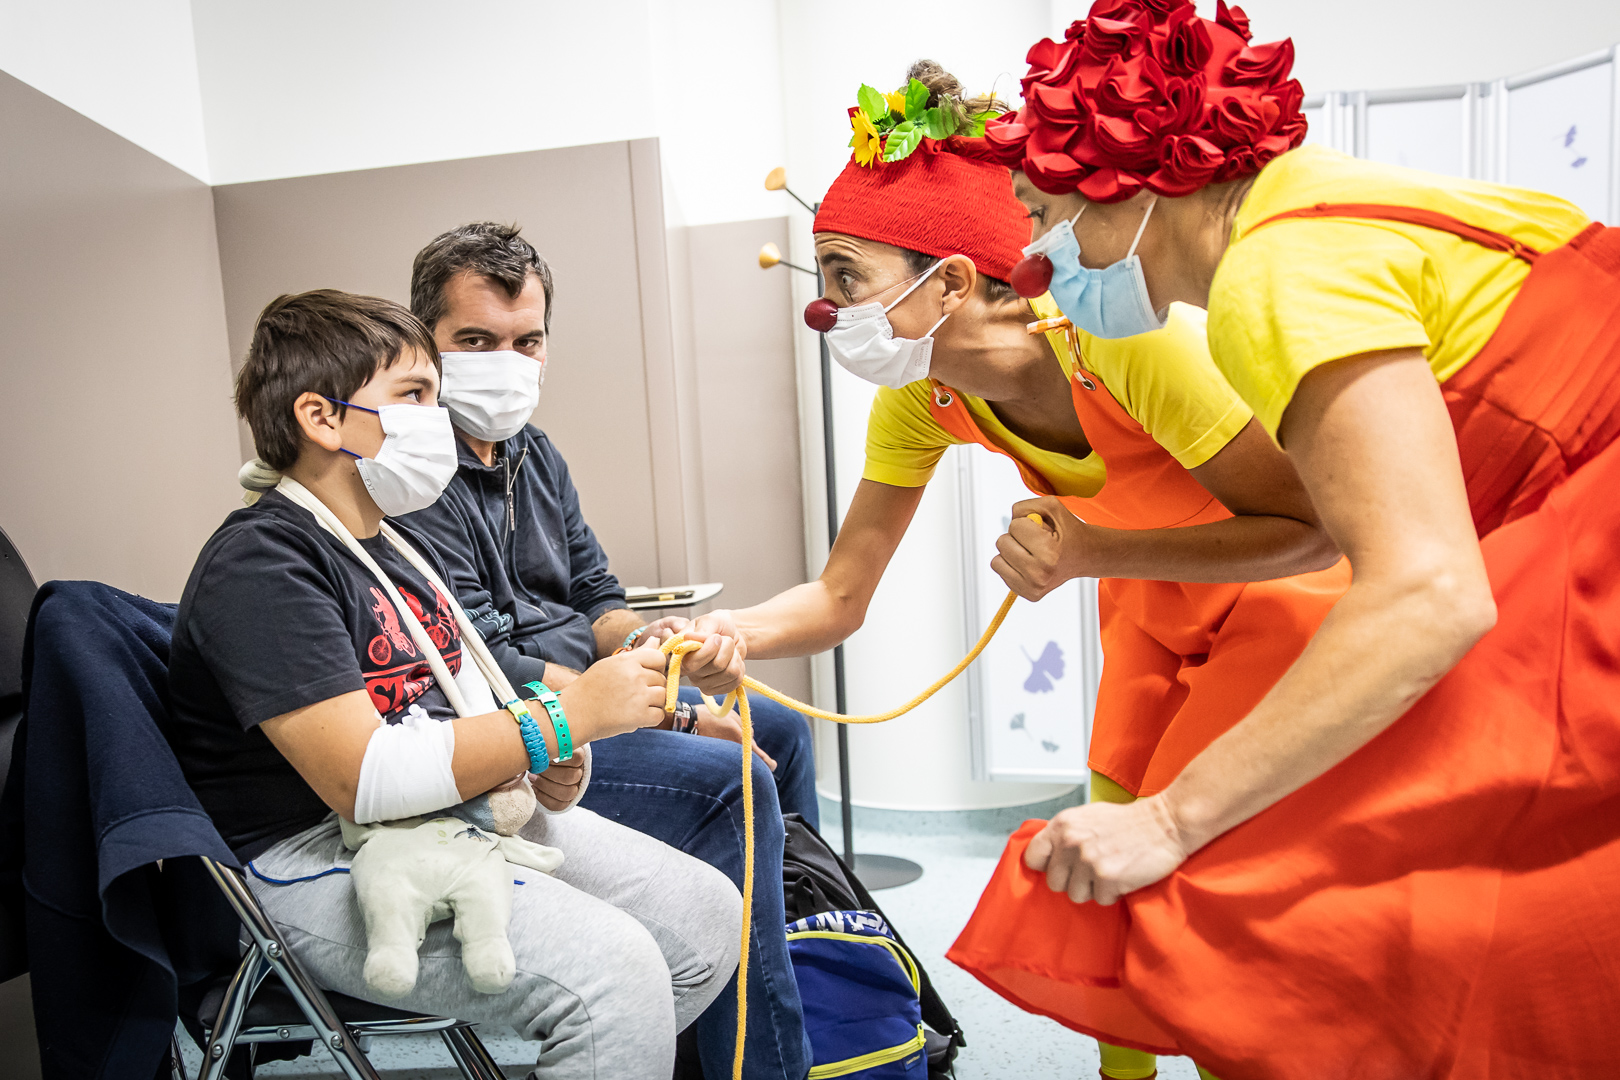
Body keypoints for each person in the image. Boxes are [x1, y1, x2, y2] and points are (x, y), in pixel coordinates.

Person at [955, 2, 1620, 1075]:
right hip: (1564, 537)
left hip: (1581, 546)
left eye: (1042, 214)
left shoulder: (1272, 274)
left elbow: (1428, 592)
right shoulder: (1320, 206)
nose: (1034, 261)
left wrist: (1169, 820)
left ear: (1125, 178)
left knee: (1318, 879)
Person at [692, 62, 1346, 1079]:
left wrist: (1095, 552)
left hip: (1281, 607)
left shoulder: (1126, 347)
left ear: (952, 281)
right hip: (1153, 616)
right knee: (1102, 873)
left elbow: (1315, 531)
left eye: (844, 276)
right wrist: (723, 631)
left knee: (1208, 891)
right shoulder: (922, 400)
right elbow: (839, 597)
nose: (825, 309)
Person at [166, 289, 744, 1080]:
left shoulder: (396, 548)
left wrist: (554, 750)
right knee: (614, 977)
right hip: (306, 853)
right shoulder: (261, 563)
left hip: (444, 819)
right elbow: (361, 777)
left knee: (706, 917)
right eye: (413, 395)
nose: (436, 419)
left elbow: (467, 707)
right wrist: (566, 716)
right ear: (322, 417)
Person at [395, 223, 815, 1080]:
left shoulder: (535, 455)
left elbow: (596, 599)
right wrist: (667, 709)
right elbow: (482, 659)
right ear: (423, 344)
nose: (507, 362)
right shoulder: (413, 476)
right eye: (475, 341)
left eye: (526, 341)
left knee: (784, 731)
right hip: (518, 733)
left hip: (598, 695)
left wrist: (655, 645)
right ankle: (764, 1063)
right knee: (736, 779)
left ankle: (799, 990)